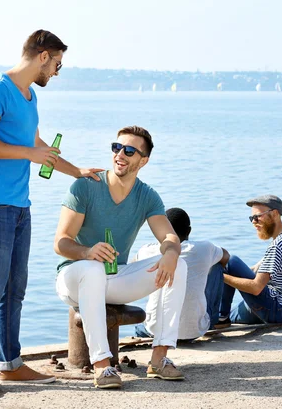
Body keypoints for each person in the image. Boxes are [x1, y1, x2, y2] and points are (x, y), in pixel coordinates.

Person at [0, 30, 103, 398]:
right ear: (43, 56)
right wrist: (28, 155)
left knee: (15, 289)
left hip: (19, 205)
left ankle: (10, 364)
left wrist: (78, 172)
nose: (57, 72)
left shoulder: (29, 97)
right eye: (57, 63)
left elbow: (39, 146)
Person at [54, 125, 188, 389]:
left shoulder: (146, 196)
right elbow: (61, 242)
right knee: (92, 269)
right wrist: (87, 252)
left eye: (129, 150)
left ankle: (159, 359)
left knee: (179, 266)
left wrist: (171, 252)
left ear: (143, 160)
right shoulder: (85, 186)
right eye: (117, 148)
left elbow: (169, 237)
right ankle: (102, 366)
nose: (120, 154)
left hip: (114, 279)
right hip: (73, 277)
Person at [134, 208, 230, 340]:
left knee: (141, 324)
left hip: (154, 331)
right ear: (189, 231)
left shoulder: (146, 250)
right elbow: (226, 256)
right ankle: (219, 317)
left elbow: (132, 267)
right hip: (195, 331)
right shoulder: (204, 248)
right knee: (217, 266)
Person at [217, 195, 282, 327]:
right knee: (231, 314)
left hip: (278, 310)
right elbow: (255, 270)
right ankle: (222, 317)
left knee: (231, 261)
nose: (254, 221)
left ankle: (220, 318)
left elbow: (256, 288)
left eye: (258, 216)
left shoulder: (278, 246)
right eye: (252, 218)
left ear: (275, 214)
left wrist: (221, 276)